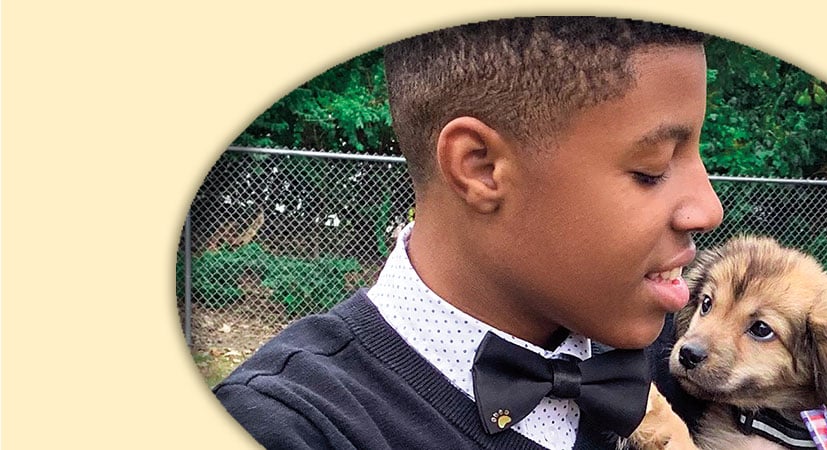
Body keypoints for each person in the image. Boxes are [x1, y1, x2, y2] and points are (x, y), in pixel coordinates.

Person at [214, 17, 724, 450]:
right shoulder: (289, 426)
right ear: (480, 168)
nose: (708, 207)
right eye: (652, 169)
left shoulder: (692, 363)